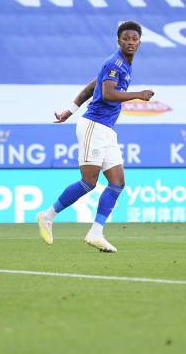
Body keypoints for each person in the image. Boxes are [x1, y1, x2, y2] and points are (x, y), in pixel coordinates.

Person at [35, 21, 154, 253]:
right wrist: (138, 94)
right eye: (126, 38)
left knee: (117, 183)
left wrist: (69, 110)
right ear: (118, 41)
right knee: (88, 182)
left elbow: (91, 88)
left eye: (134, 39)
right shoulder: (114, 64)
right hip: (94, 126)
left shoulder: (124, 66)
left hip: (106, 129)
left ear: (139, 42)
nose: (130, 42)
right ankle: (47, 216)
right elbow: (107, 94)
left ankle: (96, 232)